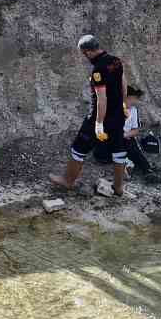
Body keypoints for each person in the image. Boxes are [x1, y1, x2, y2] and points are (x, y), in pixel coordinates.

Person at [50, 34, 130, 198]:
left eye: (84, 54)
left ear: (87, 52)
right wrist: (123, 104)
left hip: (99, 117)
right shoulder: (116, 60)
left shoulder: (98, 70)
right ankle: (119, 187)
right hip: (118, 115)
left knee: (78, 148)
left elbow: (102, 99)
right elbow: (123, 83)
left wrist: (99, 123)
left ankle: (68, 181)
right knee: (118, 150)